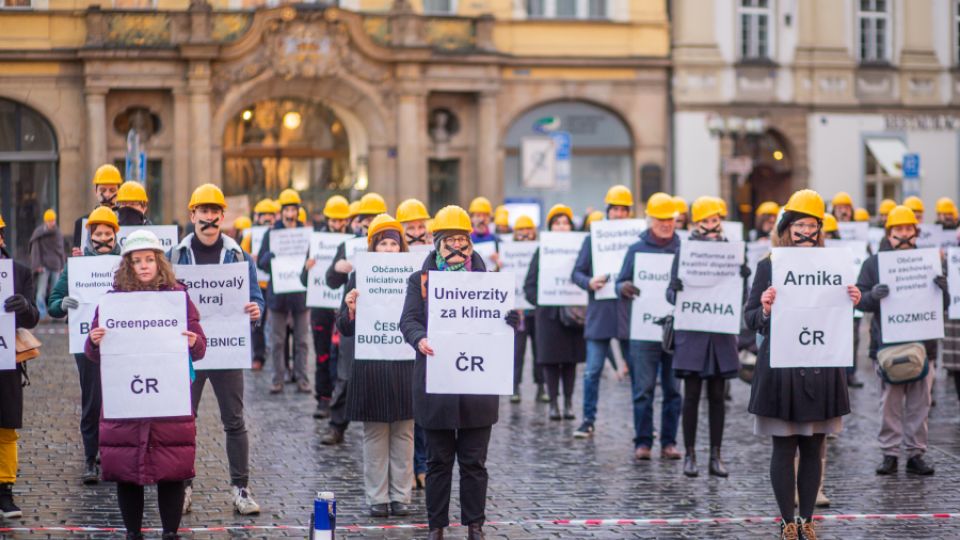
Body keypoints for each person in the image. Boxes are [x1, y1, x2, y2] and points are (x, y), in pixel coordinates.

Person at [745, 189, 858, 540]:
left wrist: (852, 300)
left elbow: (837, 318)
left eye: (812, 225)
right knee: (784, 446)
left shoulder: (834, 265)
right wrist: (764, 308)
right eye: (800, 226)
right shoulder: (769, 265)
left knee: (814, 447)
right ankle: (786, 520)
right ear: (787, 228)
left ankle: (807, 519)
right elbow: (749, 319)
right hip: (782, 368)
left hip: (822, 367)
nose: (806, 232)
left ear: (820, 229)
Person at [85, 229, 206, 540]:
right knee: (127, 473)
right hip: (126, 404)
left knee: (172, 471)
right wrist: (94, 341)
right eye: (137, 261)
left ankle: (170, 533)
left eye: (149, 260)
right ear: (128, 265)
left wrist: (194, 342)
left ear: (158, 262)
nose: (143, 266)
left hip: (169, 405)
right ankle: (132, 533)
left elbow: (200, 346)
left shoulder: (178, 298)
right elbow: (94, 352)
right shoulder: (111, 302)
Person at [399, 205, 511, 540]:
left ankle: (475, 525)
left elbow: (502, 319)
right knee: (438, 462)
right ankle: (437, 526)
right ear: (437, 244)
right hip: (437, 383)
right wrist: (420, 340)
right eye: (450, 242)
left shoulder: (489, 281)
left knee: (474, 463)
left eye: (462, 241)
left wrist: (512, 321)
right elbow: (408, 320)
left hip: (477, 384)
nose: (457, 249)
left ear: (471, 243)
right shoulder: (418, 281)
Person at [168, 184, 264, 515]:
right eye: (202, 212)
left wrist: (256, 309)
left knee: (234, 421)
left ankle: (241, 488)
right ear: (192, 215)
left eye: (214, 212)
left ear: (223, 216)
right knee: (184, 421)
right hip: (189, 352)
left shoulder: (239, 256)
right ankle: (183, 488)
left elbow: (257, 296)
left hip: (227, 352)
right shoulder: (175, 256)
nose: (208, 218)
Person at [856, 205, 946, 477]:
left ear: (916, 233)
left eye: (909, 229)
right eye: (899, 230)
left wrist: (944, 288)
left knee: (921, 404)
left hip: (924, 345)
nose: (904, 235)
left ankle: (917, 453)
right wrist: (873, 295)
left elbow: (945, 303)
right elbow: (860, 298)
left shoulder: (928, 262)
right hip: (887, 346)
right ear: (889, 233)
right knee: (890, 404)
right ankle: (890, 454)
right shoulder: (873, 263)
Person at [337, 214, 415, 518]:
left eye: (393, 243)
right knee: (375, 435)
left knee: (404, 434)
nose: (388, 249)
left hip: (404, 365)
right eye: (382, 243)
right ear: (373, 246)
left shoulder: (414, 276)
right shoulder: (358, 276)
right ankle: (377, 497)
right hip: (371, 365)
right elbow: (343, 326)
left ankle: (402, 496)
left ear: (401, 247)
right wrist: (352, 310)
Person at [665, 196, 745, 475]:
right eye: (705, 221)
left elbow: (741, 297)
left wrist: (743, 277)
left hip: (720, 334)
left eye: (715, 220)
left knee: (717, 396)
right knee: (691, 396)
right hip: (693, 332)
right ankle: (690, 455)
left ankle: (716, 456)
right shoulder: (685, 251)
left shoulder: (733, 251)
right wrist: (674, 287)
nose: (711, 226)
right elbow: (669, 294)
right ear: (696, 224)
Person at [47, 207, 121, 485]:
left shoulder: (127, 263)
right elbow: (55, 300)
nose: (102, 238)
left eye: (107, 233)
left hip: (121, 344)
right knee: (92, 401)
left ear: (116, 234)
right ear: (90, 236)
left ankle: (114, 455)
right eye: (97, 233)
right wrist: (61, 305)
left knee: (119, 401)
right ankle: (91, 458)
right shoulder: (76, 266)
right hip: (87, 344)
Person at [613, 193, 682, 460]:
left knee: (674, 391)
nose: (666, 224)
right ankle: (643, 442)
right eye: (661, 219)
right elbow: (620, 282)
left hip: (675, 332)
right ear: (650, 220)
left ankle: (669, 442)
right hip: (643, 332)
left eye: (670, 219)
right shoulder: (636, 249)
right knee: (643, 390)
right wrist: (624, 288)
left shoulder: (683, 247)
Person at [322, 192, 388, 445]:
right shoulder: (349, 246)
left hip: (385, 320)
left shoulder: (393, 245)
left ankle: (381, 425)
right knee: (347, 374)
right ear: (358, 221)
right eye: (365, 218)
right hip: (354, 317)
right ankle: (337, 426)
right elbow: (329, 279)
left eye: (374, 218)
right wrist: (338, 268)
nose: (368, 223)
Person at [570, 184, 633, 438]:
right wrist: (589, 282)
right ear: (608, 210)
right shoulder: (593, 238)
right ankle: (588, 420)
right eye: (614, 209)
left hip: (629, 312)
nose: (618, 214)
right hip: (601, 312)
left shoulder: (636, 239)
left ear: (629, 213)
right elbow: (576, 273)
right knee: (592, 370)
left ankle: (644, 426)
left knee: (639, 375)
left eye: (623, 210)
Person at [523, 204, 584, 421]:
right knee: (550, 361)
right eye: (557, 223)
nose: (561, 227)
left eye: (565, 223)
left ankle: (568, 403)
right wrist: (543, 300)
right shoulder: (542, 251)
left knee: (570, 360)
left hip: (573, 313)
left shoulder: (580, 249)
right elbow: (529, 285)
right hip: (548, 316)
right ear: (550, 227)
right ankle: (553, 404)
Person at [0, 214, 41, 519]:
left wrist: (24, 307)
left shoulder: (18, 273)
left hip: (5, 365)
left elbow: (33, 317)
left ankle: (4, 491)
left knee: (6, 428)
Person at [257, 188, 312, 394]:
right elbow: (261, 263)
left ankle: (302, 379)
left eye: (293, 209)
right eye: (287, 210)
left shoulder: (305, 234)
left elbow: (311, 261)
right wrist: (269, 257)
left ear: (298, 211)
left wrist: (310, 263)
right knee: (277, 341)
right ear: (282, 212)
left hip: (300, 296)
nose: (290, 214)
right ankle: (277, 379)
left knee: (302, 341)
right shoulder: (271, 234)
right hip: (278, 297)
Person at [396, 198, 431, 489]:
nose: (417, 232)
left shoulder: (436, 257)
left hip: (424, 341)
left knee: (423, 409)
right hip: (393, 345)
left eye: (421, 226)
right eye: (411, 227)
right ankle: (409, 465)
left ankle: (422, 464)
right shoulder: (390, 257)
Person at [311, 195, 351, 420]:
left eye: (342, 220)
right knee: (323, 355)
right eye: (334, 221)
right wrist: (308, 270)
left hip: (342, 307)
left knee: (340, 358)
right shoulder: (316, 240)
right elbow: (304, 280)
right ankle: (323, 399)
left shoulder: (353, 241)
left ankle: (338, 398)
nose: (338, 225)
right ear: (327, 219)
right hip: (320, 309)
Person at [509, 215, 545, 403]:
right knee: (517, 351)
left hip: (536, 310)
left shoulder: (541, 249)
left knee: (540, 350)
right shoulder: (508, 251)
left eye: (528, 229)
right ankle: (514, 387)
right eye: (521, 230)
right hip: (518, 311)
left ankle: (541, 386)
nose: (525, 234)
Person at [247, 198, 279, 371]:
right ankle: (258, 356)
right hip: (258, 284)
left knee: (278, 326)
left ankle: (278, 358)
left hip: (275, 284)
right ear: (257, 217)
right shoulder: (250, 236)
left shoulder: (280, 234)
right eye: (264, 214)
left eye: (271, 215)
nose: (267, 218)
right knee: (257, 322)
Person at [72, 164, 123, 256]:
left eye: (112, 190)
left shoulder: (127, 221)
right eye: (103, 190)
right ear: (96, 191)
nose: (107, 195)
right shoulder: (81, 223)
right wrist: (77, 257)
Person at [29, 208, 66, 320]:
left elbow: (61, 250)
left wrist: (62, 266)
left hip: (56, 266)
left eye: (53, 220)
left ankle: (54, 314)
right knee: (41, 292)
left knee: (54, 292)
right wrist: (37, 265)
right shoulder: (39, 233)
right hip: (43, 266)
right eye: (50, 220)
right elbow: (35, 250)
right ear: (45, 221)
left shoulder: (57, 233)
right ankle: (42, 314)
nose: (52, 223)